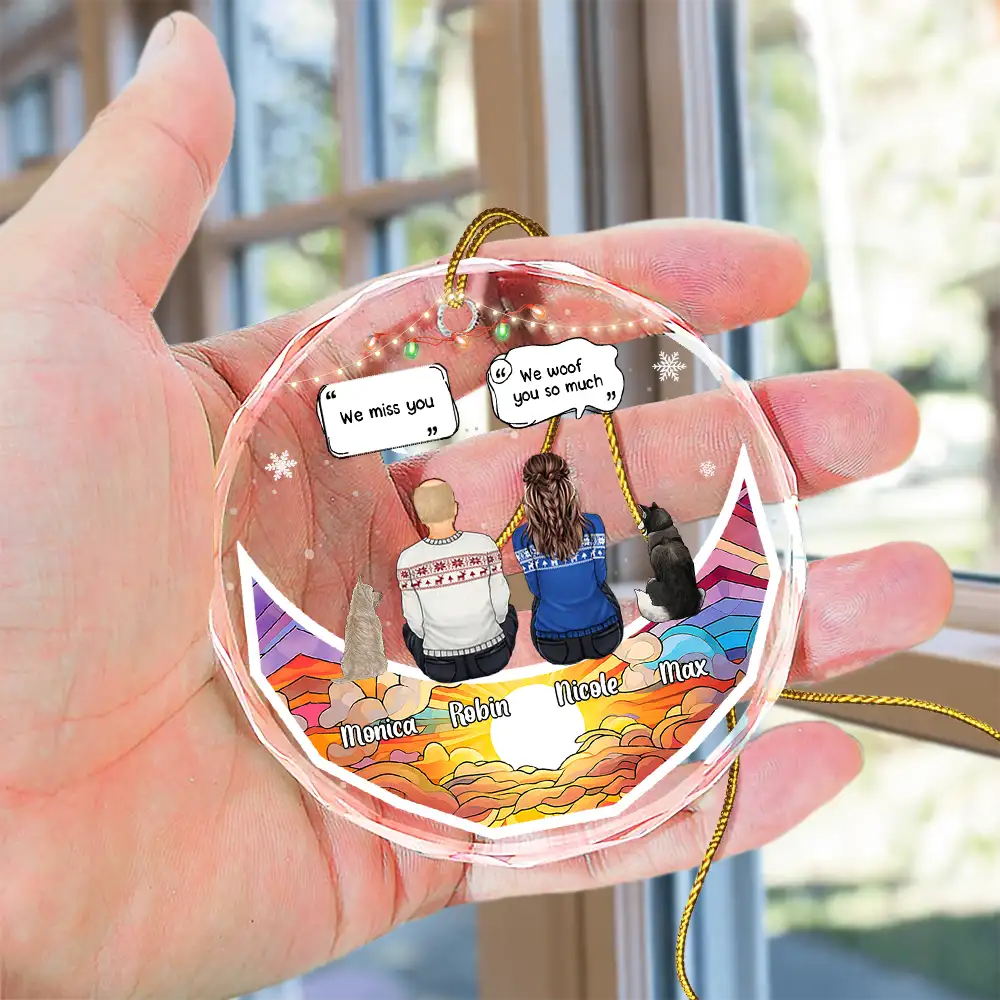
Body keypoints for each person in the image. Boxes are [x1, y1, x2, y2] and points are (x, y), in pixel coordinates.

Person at [0, 13, 953, 998]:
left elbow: (479, 617)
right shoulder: (576, 530)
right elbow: (523, 604)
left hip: (482, 667)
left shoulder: (495, 551)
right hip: (552, 655)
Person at [396, 479, 517, 682]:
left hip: (441, 667)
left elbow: (414, 620)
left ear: (420, 516)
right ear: (455, 509)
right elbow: (501, 604)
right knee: (510, 612)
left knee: (408, 630)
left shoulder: (407, 560)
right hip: (492, 657)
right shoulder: (484, 545)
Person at [513, 454, 624, 664]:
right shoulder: (593, 524)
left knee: (543, 598)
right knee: (599, 587)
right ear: (568, 486)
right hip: (606, 636)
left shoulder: (522, 537)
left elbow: (536, 589)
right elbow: (600, 576)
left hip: (553, 646)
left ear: (530, 493)